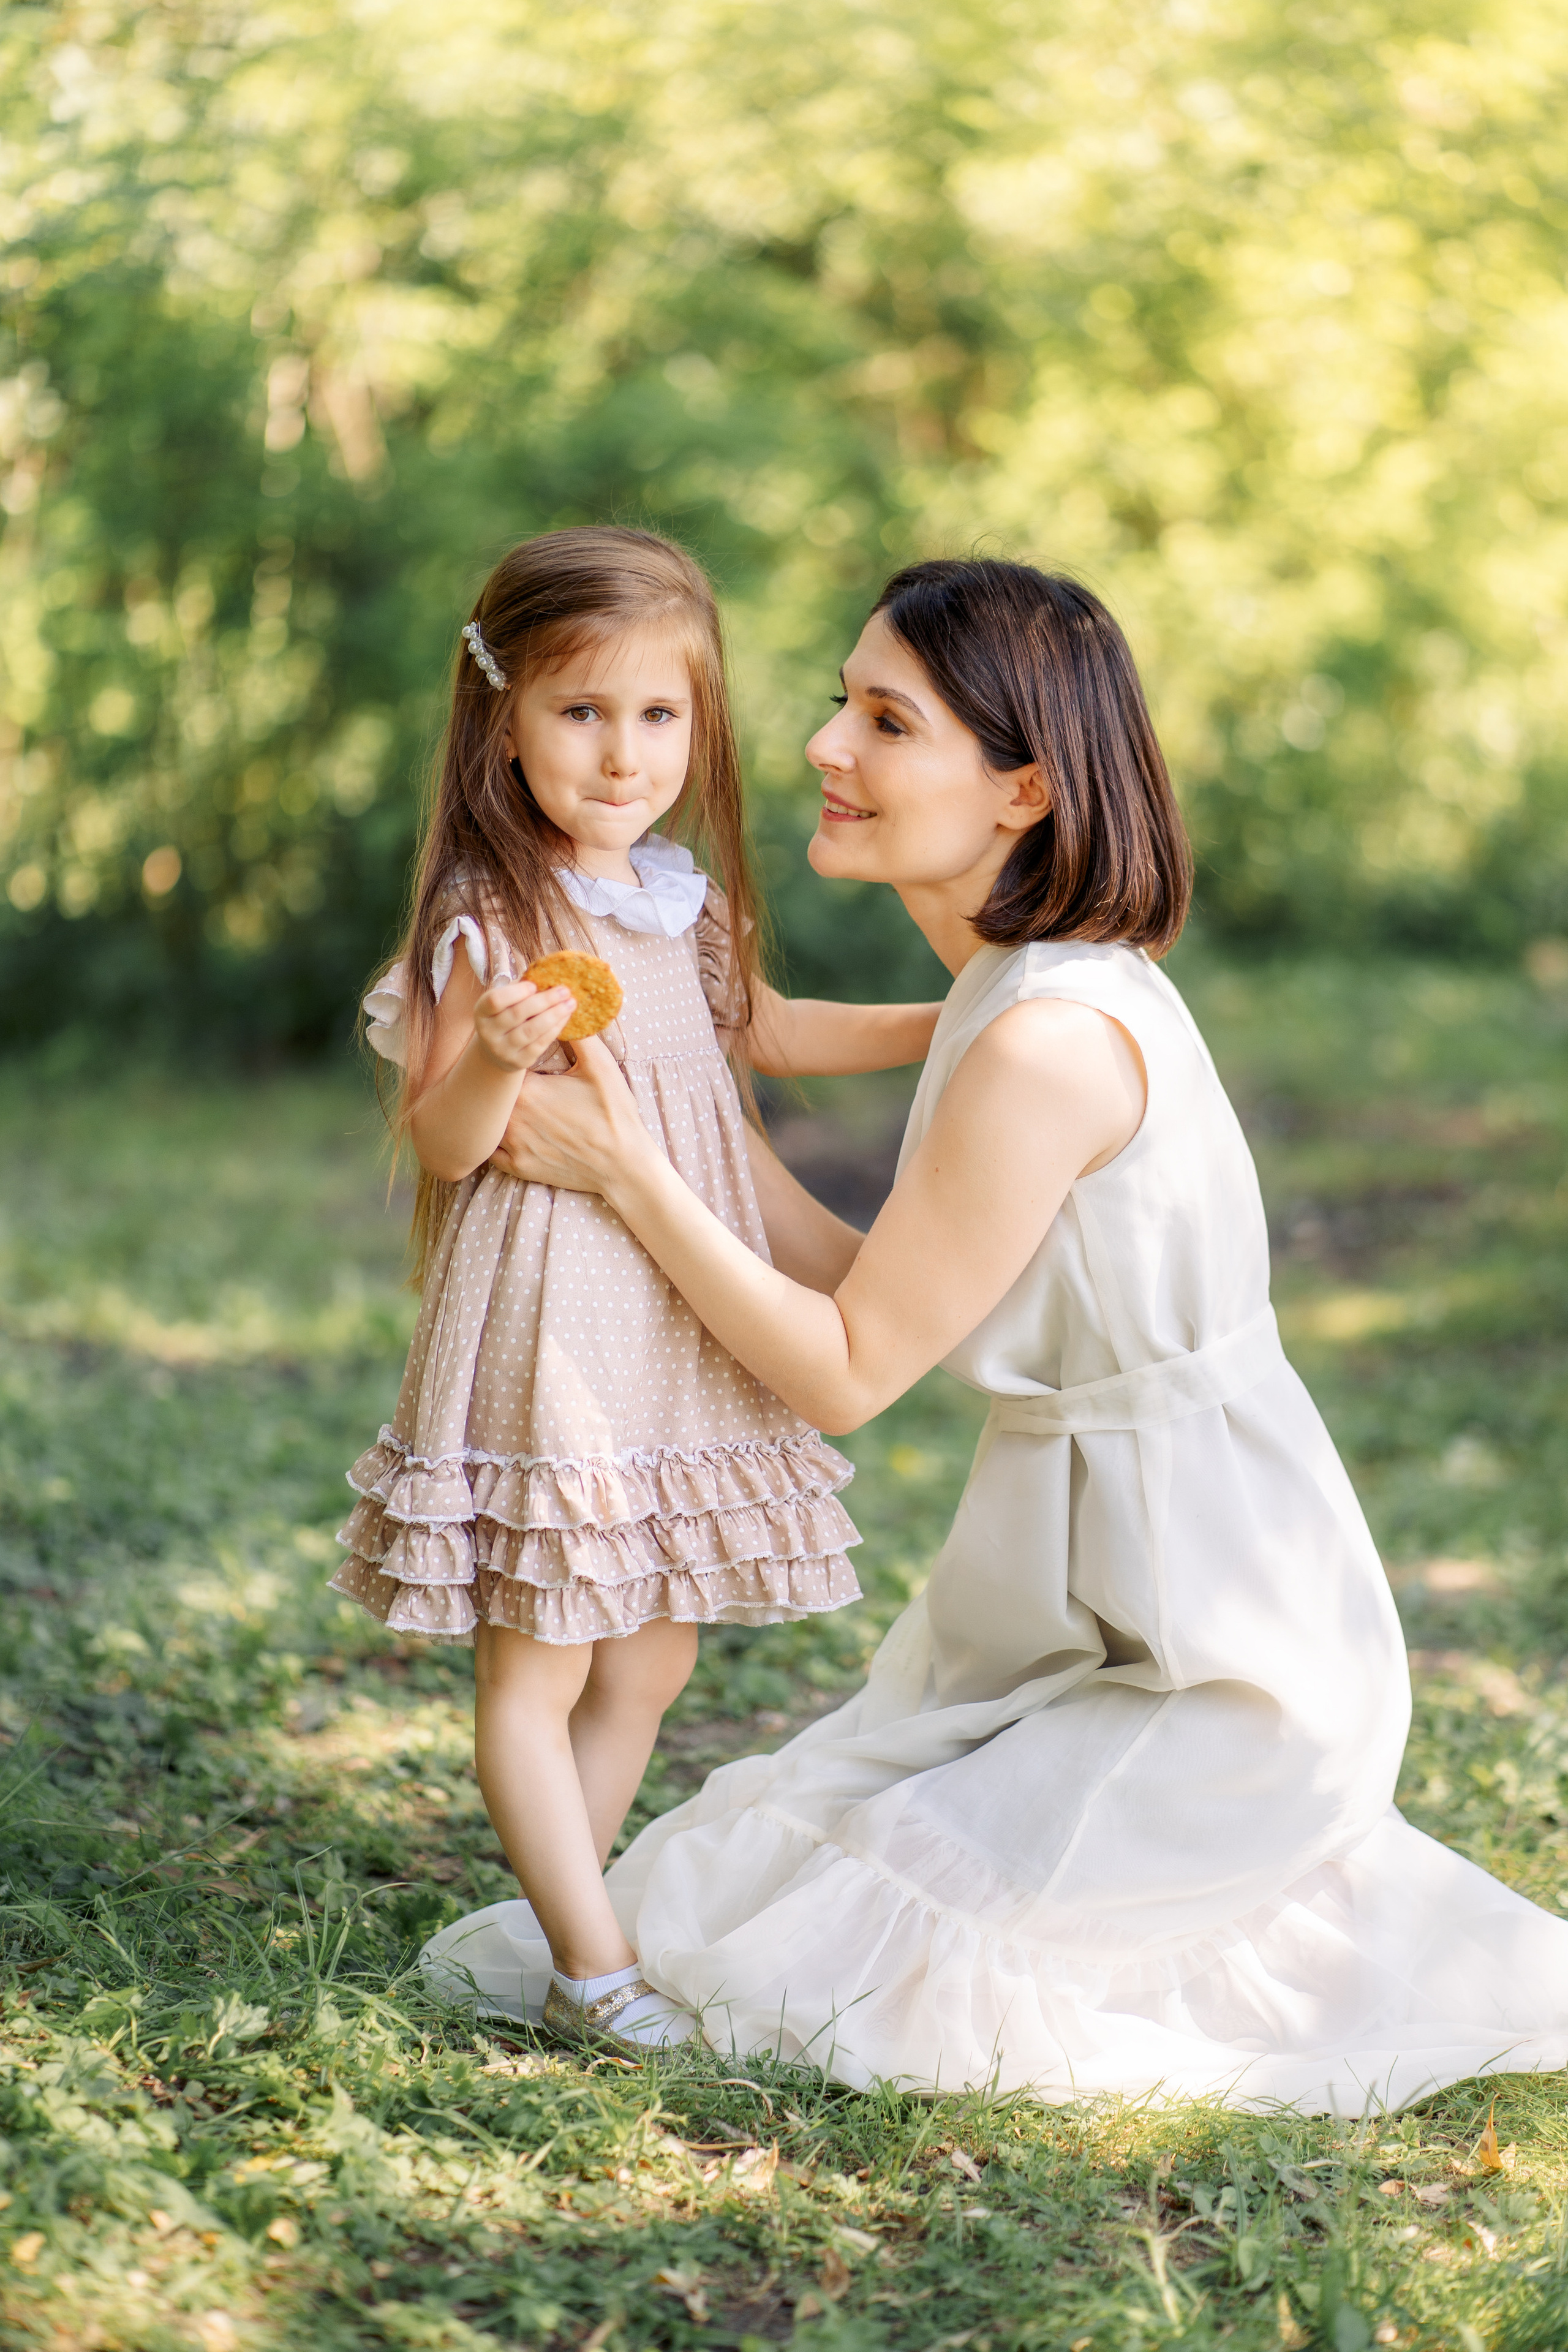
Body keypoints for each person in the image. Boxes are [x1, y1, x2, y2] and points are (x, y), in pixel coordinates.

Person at [432, 555, 1568, 2110]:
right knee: (752, 1878)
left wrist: (632, 1168)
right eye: (841, 703)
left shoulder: (1043, 1040)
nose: (824, 747)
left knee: (837, 1967)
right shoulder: (1008, 989)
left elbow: (842, 1368)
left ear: (1022, 788)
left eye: (883, 721)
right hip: (1073, 1589)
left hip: (1207, 1636)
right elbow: (878, 1280)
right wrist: (682, 1122)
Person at [335, 526, 941, 2051]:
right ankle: (598, 1969)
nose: (621, 756)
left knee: (654, 1649)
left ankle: (564, 1933)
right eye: (580, 713)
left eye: (656, 717)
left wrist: (961, 1016)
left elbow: (774, 1030)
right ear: (503, 718)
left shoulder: (673, 899)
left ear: (699, 724)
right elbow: (450, 1142)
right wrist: (491, 1054)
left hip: (675, 1315)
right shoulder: (491, 907)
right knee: (542, 1645)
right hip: (553, 1313)